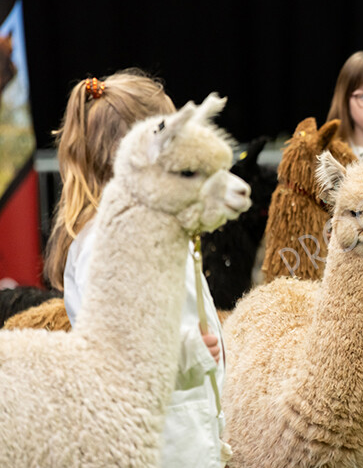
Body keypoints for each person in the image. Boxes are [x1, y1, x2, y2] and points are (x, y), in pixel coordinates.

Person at [43, 69, 230, 467]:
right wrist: (191, 351)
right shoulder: (103, 242)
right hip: (162, 440)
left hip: (189, 427)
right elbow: (120, 353)